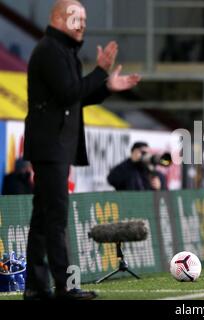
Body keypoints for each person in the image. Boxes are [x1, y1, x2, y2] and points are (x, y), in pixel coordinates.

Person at [23, 0, 141, 300]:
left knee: (43, 218)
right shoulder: (50, 50)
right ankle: (62, 286)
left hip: (55, 145)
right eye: (77, 18)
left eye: (85, 19)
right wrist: (100, 71)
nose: (83, 24)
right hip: (51, 145)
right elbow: (68, 94)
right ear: (59, 19)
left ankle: (37, 288)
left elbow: (75, 97)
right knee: (55, 217)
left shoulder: (63, 52)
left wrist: (105, 87)